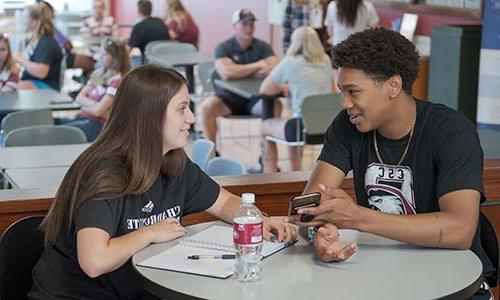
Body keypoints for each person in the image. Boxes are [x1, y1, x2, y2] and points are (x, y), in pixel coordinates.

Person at [28, 65, 296, 299]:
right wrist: (151, 232)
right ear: (150, 116)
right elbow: (94, 261)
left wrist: (257, 220)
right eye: (182, 109)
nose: (191, 118)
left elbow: (225, 202)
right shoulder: (104, 173)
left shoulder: (174, 162)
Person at [288, 28, 494, 298]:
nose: (346, 103)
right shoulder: (347, 126)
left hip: (456, 285)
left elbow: (460, 230)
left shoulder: (451, 132)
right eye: (342, 92)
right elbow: (309, 207)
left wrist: (359, 218)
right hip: (384, 279)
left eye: (353, 91)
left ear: (393, 86)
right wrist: (320, 237)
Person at [200, 9, 280, 146]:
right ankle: (212, 154)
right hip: (228, 99)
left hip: (256, 99)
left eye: (252, 24)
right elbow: (226, 72)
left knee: (276, 106)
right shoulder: (223, 47)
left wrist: (238, 69)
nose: (249, 28)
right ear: (235, 26)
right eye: (244, 24)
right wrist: (258, 65)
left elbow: (275, 67)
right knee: (206, 107)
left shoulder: (263, 46)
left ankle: (266, 157)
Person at [259, 26, 333, 173]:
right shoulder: (326, 60)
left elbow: (265, 89)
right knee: (295, 125)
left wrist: (283, 87)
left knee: (265, 127)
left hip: (302, 127)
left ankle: (270, 171)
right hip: (327, 126)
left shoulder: (290, 62)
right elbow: (331, 89)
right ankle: (295, 172)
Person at [56, 38, 130, 142]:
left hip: (97, 126)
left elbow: (97, 112)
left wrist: (84, 106)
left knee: (55, 132)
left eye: (105, 55)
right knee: (53, 122)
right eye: (101, 53)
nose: (101, 57)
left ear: (115, 58)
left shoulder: (117, 81)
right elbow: (79, 97)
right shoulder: (97, 74)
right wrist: (95, 105)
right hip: (84, 118)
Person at [16, 3, 63, 90]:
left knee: (10, 88)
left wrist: (21, 59)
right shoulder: (36, 41)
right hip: (34, 81)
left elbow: (41, 72)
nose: (24, 22)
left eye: (26, 18)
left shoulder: (46, 43)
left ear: (35, 22)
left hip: (46, 86)